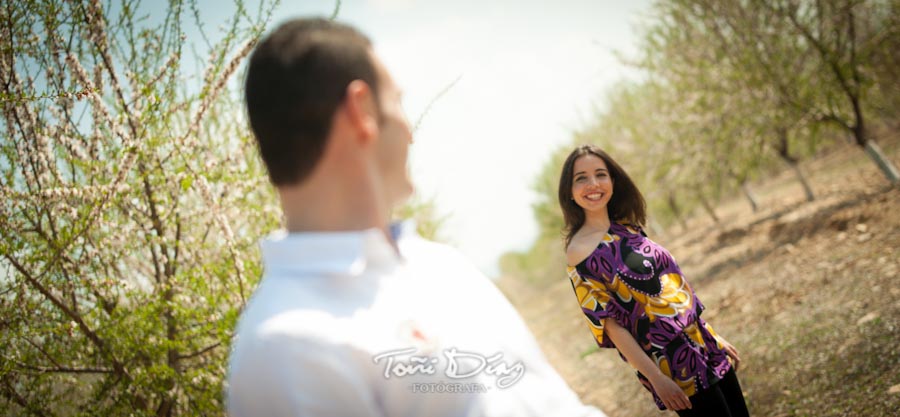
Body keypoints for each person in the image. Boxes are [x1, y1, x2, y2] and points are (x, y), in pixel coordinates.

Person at [226, 18, 607, 417]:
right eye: (398, 103)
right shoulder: (285, 349)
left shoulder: (440, 263)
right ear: (362, 111)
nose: (410, 133)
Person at [559, 144, 750, 417]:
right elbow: (611, 326)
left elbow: (673, 288)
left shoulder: (627, 226)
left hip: (701, 340)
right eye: (581, 178)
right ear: (569, 190)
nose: (593, 184)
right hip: (671, 360)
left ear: (612, 180)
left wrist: (713, 335)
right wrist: (656, 378)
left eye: (600, 174)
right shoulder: (579, 251)